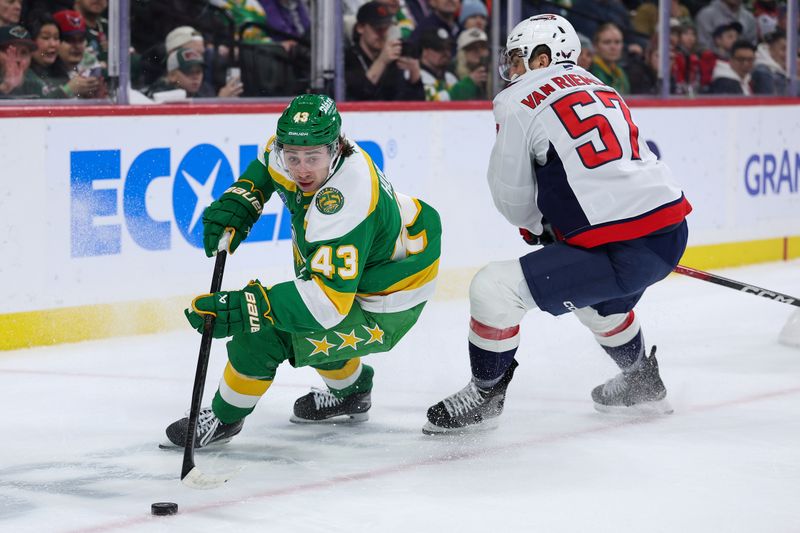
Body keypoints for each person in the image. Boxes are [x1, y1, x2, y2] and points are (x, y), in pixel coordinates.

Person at [422, 14, 692, 435]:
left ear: (543, 57)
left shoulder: (517, 99)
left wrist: (539, 227)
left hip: (621, 248)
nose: (511, 70)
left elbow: (512, 199)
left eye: (516, 59)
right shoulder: (603, 86)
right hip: (670, 232)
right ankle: (641, 380)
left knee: (493, 289)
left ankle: (486, 393)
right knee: (601, 300)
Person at [163, 94, 441, 447]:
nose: (301, 168)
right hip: (378, 261)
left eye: (313, 158)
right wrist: (244, 196)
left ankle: (224, 417)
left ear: (336, 148)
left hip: (391, 296)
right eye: (292, 157)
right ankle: (352, 395)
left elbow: (324, 305)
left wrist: (253, 306)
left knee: (266, 331)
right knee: (304, 322)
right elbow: (267, 166)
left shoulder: (343, 199)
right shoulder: (300, 152)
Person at [345, 1, 423, 101]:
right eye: (377, 29)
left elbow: (411, 103)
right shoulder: (348, 59)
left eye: (386, 28)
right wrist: (382, 61)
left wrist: (415, 76)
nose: (382, 34)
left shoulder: (392, 61)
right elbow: (358, 94)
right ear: (361, 28)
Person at [0, 24, 45, 98]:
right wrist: (5, 87)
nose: (17, 59)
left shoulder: (35, 83)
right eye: (9, 52)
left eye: (23, 53)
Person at [589, 22, 630, 94]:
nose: (613, 47)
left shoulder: (621, 73)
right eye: (607, 42)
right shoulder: (590, 72)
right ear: (595, 46)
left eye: (617, 42)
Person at [419, 27, 457, 100]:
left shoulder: (450, 77)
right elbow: (431, 101)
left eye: (448, 48)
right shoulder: (416, 77)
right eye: (439, 48)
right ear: (425, 51)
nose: (446, 53)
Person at [450, 27, 489, 100]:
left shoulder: (494, 74)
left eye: (483, 47)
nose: (479, 52)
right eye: (472, 47)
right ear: (462, 53)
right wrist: (469, 82)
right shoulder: (450, 73)